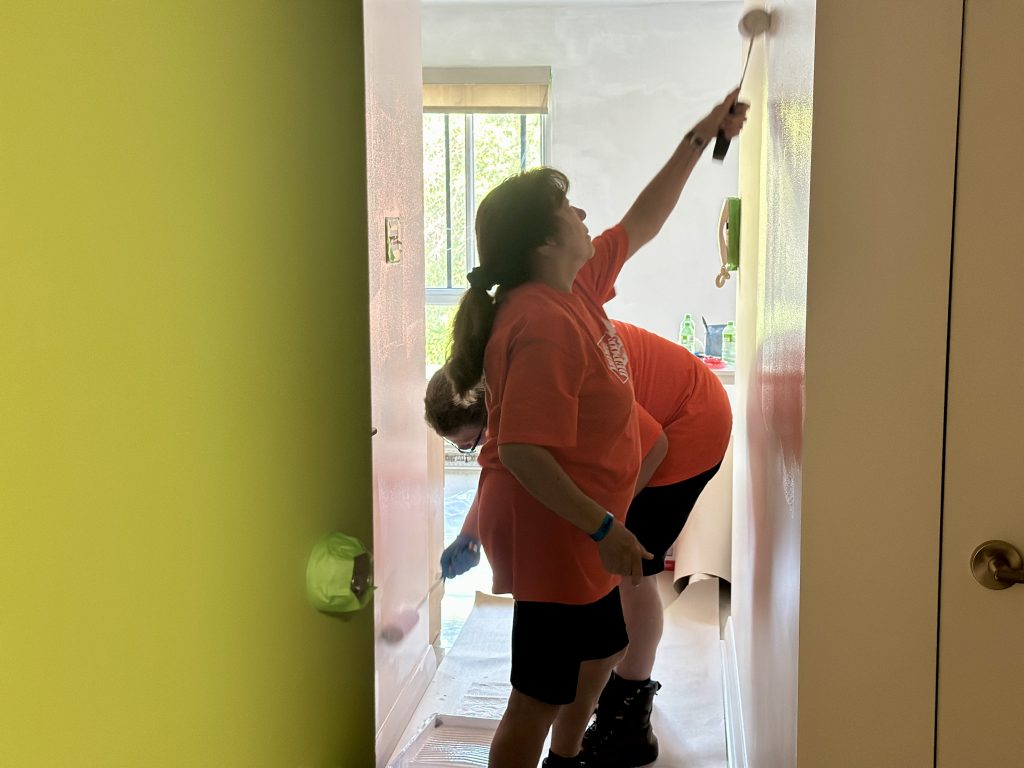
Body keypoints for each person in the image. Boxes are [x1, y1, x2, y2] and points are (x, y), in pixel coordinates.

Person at [441, 90, 746, 768]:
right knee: (535, 696)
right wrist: (607, 530)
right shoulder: (541, 323)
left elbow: (645, 218)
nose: (584, 215)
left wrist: (701, 135)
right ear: (546, 243)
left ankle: (568, 755)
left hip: (587, 530)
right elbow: (520, 452)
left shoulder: (571, 288)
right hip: (562, 539)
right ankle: (557, 748)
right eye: (569, 209)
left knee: (606, 646)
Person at [426, 317, 731, 768]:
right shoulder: (498, 380)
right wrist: (469, 533)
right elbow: (499, 466)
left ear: (494, 409)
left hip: (689, 422)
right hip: (648, 424)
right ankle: (586, 729)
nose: (479, 449)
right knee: (588, 646)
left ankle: (630, 717)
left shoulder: (551, 380)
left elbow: (651, 446)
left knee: (631, 570)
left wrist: (606, 524)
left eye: (473, 442)